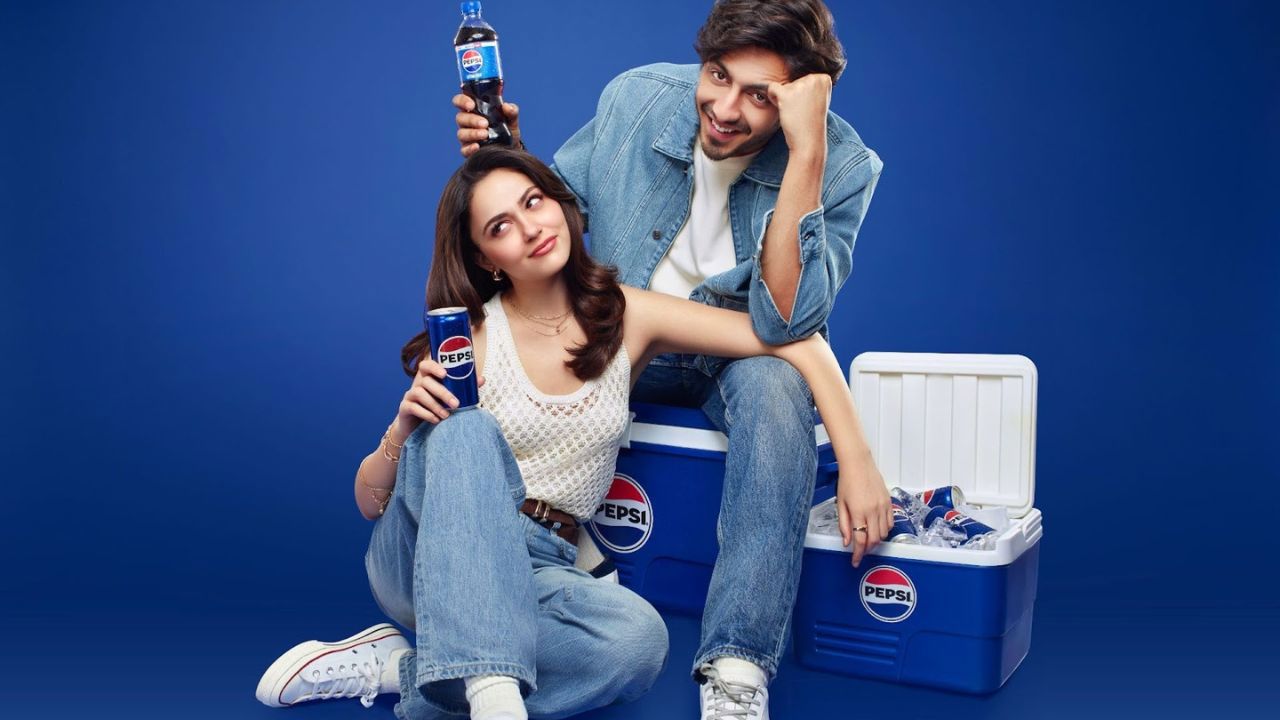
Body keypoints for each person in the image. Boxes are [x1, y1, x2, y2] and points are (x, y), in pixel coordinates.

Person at [255, 146, 890, 720]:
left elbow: (790, 340)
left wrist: (855, 460)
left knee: (638, 644)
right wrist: (402, 424)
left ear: (560, 202)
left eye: (534, 202)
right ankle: (496, 704)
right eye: (500, 226)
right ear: (485, 259)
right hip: (424, 556)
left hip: (542, 562)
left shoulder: (626, 313)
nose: (530, 227)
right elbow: (371, 502)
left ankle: (405, 671)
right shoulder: (467, 339)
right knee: (467, 433)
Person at [452, 1, 883, 716]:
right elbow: (557, 223)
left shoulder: (844, 167)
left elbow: (784, 323)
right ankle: (510, 585)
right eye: (717, 75)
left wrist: (806, 153)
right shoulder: (637, 98)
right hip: (622, 337)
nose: (724, 109)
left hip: (730, 356)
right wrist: (511, 154)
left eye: (760, 95)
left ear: (803, 95)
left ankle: (737, 667)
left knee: (776, 380)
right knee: (517, 332)